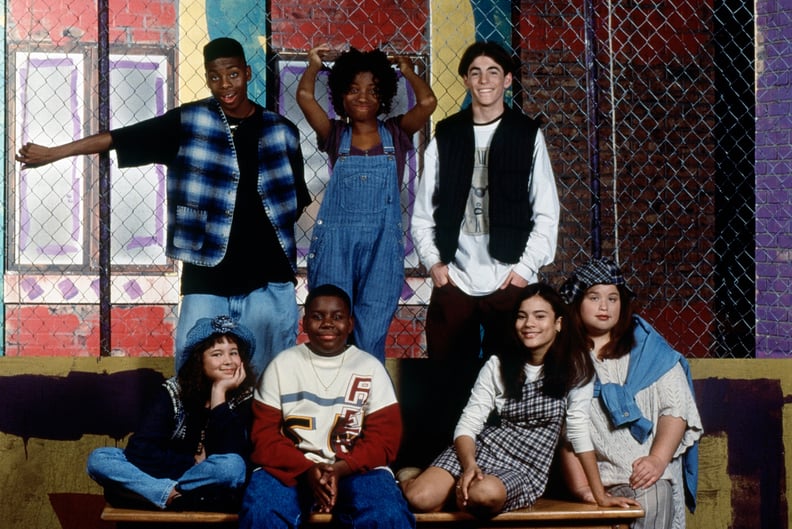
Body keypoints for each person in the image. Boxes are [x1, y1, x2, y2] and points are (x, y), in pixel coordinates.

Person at [16, 37, 311, 378]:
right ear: (207, 79)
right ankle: (192, 433)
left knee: (270, 380)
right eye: (215, 77)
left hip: (269, 280)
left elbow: (295, 201)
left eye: (232, 74)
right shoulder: (188, 123)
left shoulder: (282, 131)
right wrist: (54, 153)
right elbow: (120, 138)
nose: (225, 85)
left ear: (246, 73)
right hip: (208, 276)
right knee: (194, 376)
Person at [410, 40, 559, 448]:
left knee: (511, 375)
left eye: (494, 72)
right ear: (465, 80)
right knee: (445, 376)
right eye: (475, 72)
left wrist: (523, 273)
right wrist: (434, 265)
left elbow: (546, 212)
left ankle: (504, 452)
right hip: (454, 279)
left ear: (508, 80)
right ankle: (442, 456)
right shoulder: (447, 134)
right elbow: (423, 211)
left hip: (506, 279)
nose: (484, 80)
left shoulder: (526, 134)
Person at [398, 283, 616, 518]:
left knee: (483, 495)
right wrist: (470, 465)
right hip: (482, 450)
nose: (529, 324)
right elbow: (468, 424)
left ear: (558, 324)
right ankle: (410, 479)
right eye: (522, 317)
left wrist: (600, 494)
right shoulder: (498, 364)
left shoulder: (577, 367)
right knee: (419, 499)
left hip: (524, 467)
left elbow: (578, 431)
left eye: (539, 316)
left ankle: (458, 493)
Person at [297, 45, 437, 362]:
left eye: (373, 91)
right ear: (341, 95)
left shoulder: (396, 133)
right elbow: (305, 97)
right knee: (330, 333)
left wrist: (407, 69)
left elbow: (428, 102)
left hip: (381, 248)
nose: (363, 97)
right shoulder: (335, 135)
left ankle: (368, 407)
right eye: (354, 89)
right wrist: (314, 66)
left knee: (370, 337)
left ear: (384, 97)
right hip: (336, 246)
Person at [239, 283, 414, 529]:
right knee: (262, 510)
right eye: (318, 316)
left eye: (338, 317)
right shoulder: (282, 365)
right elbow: (264, 438)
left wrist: (342, 468)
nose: (328, 323)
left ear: (350, 324)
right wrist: (307, 469)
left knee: (387, 513)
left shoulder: (370, 367)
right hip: (292, 467)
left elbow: (384, 440)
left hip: (356, 468)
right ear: (305, 323)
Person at [557, 258, 703, 528]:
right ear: (577, 302)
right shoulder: (566, 358)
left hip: (646, 473)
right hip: (596, 478)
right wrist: (583, 488)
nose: (605, 306)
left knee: (652, 498)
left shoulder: (648, 349)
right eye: (594, 297)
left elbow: (676, 408)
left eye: (613, 298)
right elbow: (564, 435)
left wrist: (657, 459)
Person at [86, 315, 256, 511]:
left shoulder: (244, 396)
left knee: (232, 467)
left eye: (233, 353)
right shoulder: (173, 392)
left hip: (209, 477)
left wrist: (219, 395)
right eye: (217, 354)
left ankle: (151, 493)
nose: (228, 361)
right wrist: (191, 462)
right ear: (198, 360)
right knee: (100, 458)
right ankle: (171, 495)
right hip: (163, 474)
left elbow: (236, 457)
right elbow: (139, 450)